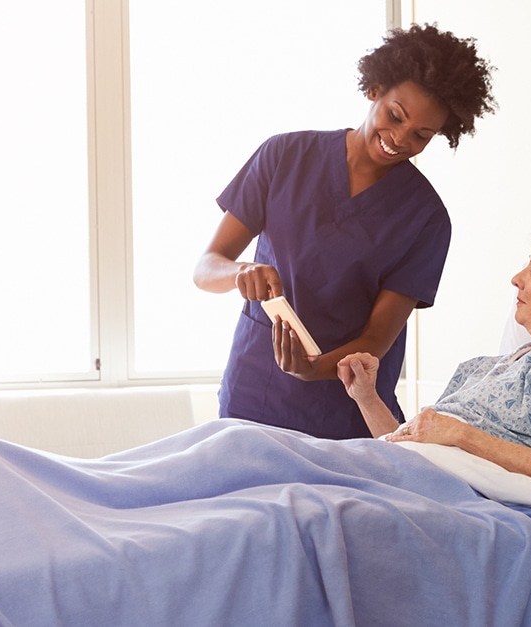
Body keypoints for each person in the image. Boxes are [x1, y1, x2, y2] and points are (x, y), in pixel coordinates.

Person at [193, 23, 497, 440]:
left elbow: (376, 338)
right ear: (374, 89)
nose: (399, 139)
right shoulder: (284, 156)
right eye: (395, 116)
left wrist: (312, 368)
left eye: (421, 135)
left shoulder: (426, 218)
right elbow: (206, 268)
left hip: (347, 409)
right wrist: (240, 272)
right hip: (255, 390)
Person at [338, 221, 531, 502]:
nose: (516, 279)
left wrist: (460, 434)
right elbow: (407, 444)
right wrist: (366, 397)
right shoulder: (483, 367)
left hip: (451, 500)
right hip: (407, 476)